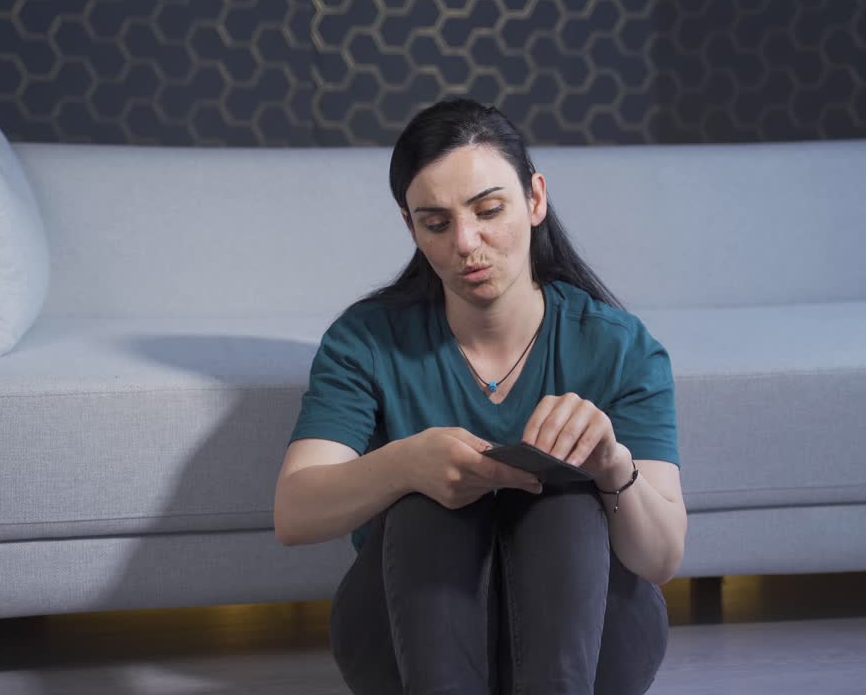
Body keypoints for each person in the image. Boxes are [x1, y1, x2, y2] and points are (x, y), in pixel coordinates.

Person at [273, 98, 686, 695]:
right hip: (407, 642)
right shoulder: (367, 340)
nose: (467, 243)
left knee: (566, 500)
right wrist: (404, 464)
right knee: (425, 501)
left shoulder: (619, 347)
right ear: (411, 227)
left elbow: (661, 560)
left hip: (590, 648)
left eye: (488, 210)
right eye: (436, 223)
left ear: (535, 199)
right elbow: (293, 514)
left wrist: (611, 466)